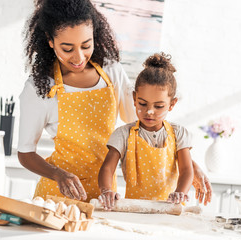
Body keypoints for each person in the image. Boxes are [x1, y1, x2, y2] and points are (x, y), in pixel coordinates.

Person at [18, 0, 212, 204]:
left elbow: (145, 122)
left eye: (86, 45)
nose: (79, 57)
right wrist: (58, 175)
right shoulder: (39, 88)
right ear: (50, 40)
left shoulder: (111, 72)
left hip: (107, 196)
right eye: (67, 49)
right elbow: (26, 154)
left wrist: (189, 163)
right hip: (58, 197)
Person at [98, 53, 194, 209]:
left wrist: (180, 192)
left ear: (172, 104)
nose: (149, 111)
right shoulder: (123, 134)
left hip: (169, 210)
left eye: (158, 106)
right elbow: (107, 168)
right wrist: (106, 190)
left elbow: (186, 170)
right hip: (136, 210)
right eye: (142, 104)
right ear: (135, 98)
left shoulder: (179, 133)